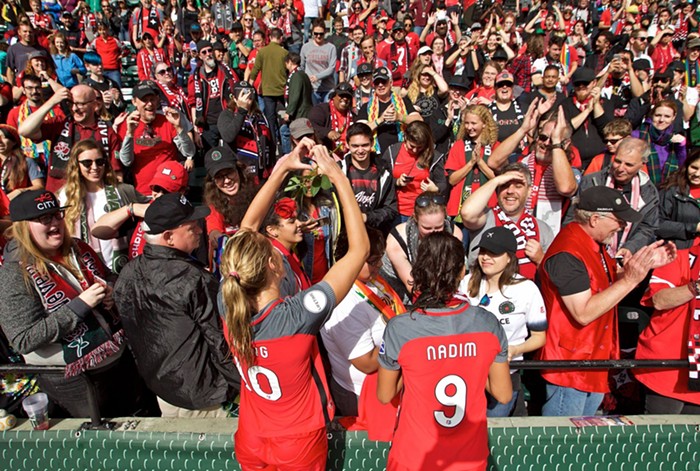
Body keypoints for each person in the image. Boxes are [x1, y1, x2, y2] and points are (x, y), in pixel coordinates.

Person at [219, 142, 368, 470]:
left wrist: (282, 169)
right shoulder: (297, 315)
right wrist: (339, 179)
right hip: (298, 441)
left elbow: (245, 230)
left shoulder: (229, 299)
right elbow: (358, 251)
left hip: (252, 435)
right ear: (274, 268)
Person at [0, 189, 153, 418]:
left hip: (119, 362)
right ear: (23, 227)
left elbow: (108, 275)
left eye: (57, 215)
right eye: (44, 219)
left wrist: (111, 288)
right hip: (75, 381)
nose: (55, 223)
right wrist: (80, 306)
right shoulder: (15, 273)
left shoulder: (79, 248)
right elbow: (24, 338)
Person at [377, 231, 511, 470]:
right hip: (468, 459)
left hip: (414, 457)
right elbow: (502, 394)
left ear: (419, 271)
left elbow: (385, 395)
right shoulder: (487, 323)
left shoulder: (401, 327)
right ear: (462, 272)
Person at [539, 187, 677, 416]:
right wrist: (630, 280)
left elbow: (606, 284)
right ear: (594, 219)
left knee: (584, 442)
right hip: (571, 368)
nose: (622, 226)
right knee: (563, 443)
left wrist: (644, 267)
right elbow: (582, 312)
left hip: (592, 361)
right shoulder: (567, 253)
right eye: (619, 220)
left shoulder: (594, 246)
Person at [114, 193, 240, 417]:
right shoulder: (194, 280)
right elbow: (221, 341)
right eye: (192, 228)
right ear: (169, 237)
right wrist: (241, 388)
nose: (200, 231)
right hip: (207, 400)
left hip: (164, 392)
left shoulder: (128, 272)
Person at [459, 226, 547, 417]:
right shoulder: (467, 283)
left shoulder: (526, 288)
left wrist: (515, 349)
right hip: (469, 371)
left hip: (506, 372)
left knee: (492, 430)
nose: (485, 258)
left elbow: (540, 337)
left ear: (509, 257)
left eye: (494, 253)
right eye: (483, 252)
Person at [58, 138, 147, 273]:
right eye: (87, 163)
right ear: (76, 165)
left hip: (124, 267)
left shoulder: (123, 190)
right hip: (86, 269)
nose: (94, 167)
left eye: (100, 162)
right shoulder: (66, 196)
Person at [566, 137, 659, 263]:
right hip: (589, 254)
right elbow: (573, 218)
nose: (620, 168)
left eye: (629, 164)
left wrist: (631, 247)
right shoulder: (592, 182)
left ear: (642, 164)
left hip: (625, 259)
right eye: (617, 161)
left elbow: (648, 227)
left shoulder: (649, 192)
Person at [18, 84, 122, 192]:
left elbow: (116, 173)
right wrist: (52, 102)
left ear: (95, 105)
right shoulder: (60, 124)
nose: (74, 108)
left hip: (92, 197)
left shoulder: (107, 132)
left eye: (80, 104)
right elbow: (24, 130)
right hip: (59, 195)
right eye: (71, 103)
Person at [635, 242, 700, 414]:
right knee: (660, 437)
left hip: (694, 374)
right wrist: (696, 286)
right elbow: (659, 300)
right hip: (667, 369)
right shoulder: (680, 255)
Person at [460, 163, 554, 281]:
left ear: (529, 191)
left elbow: (555, 274)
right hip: (485, 293)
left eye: (518, 186)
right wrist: (495, 181)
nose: (510, 191)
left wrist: (541, 258)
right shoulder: (486, 217)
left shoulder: (543, 228)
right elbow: (467, 213)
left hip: (527, 295)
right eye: (505, 185)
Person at [382, 192, 463, 302]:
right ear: (415, 218)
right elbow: (412, 287)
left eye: (439, 227)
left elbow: (457, 275)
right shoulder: (398, 240)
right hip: (400, 291)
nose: (433, 232)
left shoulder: (454, 234)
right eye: (427, 228)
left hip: (440, 289)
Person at [118, 81, 195, 193]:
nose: (150, 104)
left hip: (169, 190)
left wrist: (179, 128)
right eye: (145, 100)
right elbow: (126, 161)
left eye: (152, 99)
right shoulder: (127, 124)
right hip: (143, 191)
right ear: (134, 102)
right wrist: (129, 134)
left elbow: (189, 152)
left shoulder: (168, 121)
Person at [338, 122, 397, 234]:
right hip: (345, 235)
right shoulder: (338, 171)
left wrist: (366, 217)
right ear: (347, 144)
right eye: (355, 146)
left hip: (375, 234)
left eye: (364, 145)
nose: (360, 150)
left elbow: (391, 209)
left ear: (372, 143)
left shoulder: (385, 172)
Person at [383, 121, 447, 222]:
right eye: (411, 146)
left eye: (419, 147)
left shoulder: (434, 156)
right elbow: (382, 180)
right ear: (405, 138)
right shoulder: (392, 152)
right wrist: (397, 182)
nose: (415, 151)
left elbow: (443, 183)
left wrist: (435, 189)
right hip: (396, 210)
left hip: (424, 210)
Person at [444, 104, 498, 219]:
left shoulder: (495, 146)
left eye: (473, 123)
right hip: (460, 207)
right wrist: (471, 163)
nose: (469, 127)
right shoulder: (458, 146)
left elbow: (498, 179)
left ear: (484, 123)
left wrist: (480, 162)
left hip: (487, 206)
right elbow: (452, 180)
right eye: (467, 123)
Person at [218, 80, 276, 182]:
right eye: (243, 94)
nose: (247, 98)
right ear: (234, 98)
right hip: (240, 174)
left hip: (262, 172)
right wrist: (242, 111)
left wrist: (272, 167)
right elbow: (228, 136)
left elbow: (270, 143)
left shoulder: (260, 116)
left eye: (249, 94)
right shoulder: (227, 115)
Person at [357, 66, 422, 156]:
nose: (380, 85)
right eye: (377, 82)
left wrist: (399, 117)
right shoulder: (366, 107)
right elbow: (359, 131)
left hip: (402, 153)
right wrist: (380, 119)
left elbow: (419, 120)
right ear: (373, 85)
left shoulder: (404, 101)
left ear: (391, 83)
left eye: (384, 81)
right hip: (376, 154)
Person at [187, 40, 238, 152]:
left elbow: (236, 93)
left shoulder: (226, 71)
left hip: (226, 119)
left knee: (231, 155)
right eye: (204, 52)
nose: (208, 54)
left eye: (210, 50)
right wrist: (196, 130)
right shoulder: (195, 77)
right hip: (208, 124)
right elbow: (193, 104)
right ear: (200, 56)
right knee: (212, 157)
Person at [248, 28, 289, 152]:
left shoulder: (262, 52)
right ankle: (284, 144)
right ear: (281, 38)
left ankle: (272, 146)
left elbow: (255, 70)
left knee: (270, 119)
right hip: (281, 91)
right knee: (284, 119)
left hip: (267, 92)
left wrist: (250, 85)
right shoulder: (284, 53)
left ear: (270, 38)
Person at [631, 99, 687, 188]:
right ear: (652, 115)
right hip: (641, 186)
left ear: (673, 117)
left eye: (667, 116)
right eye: (658, 115)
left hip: (667, 189)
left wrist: (681, 146)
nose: (661, 120)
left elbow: (682, 167)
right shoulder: (637, 135)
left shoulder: (676, 139)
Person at [656, 150, 700, 250]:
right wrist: (694, 227)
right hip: (678, 251)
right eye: (694, 167)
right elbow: (657, 224)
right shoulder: (671, 191)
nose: (697, 174)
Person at [308, 82, 354, 159]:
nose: (345, 98)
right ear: (333, 96)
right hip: (325, 156)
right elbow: (311, 126)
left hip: (348, 157)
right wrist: (327, 132)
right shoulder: (321, 110)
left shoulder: (353, 116)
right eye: (341, 95)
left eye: (348, 96)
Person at [0, 124, 45, 201]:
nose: (0, 141)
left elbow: (39, 186)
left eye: (4, 137)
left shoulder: (26, 161)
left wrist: (19, 191)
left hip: (18, 205)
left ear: (14, 142)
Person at [301, 19, 337, 105]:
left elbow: (331, 68)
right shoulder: (305, 47)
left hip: (327, 88)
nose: (318, 36)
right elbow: (302, 67)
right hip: (312, 89)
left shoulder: (331, 47)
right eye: (316, 34)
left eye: (321, 34)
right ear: (312, 33)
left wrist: (317, 77)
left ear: (325, 33)